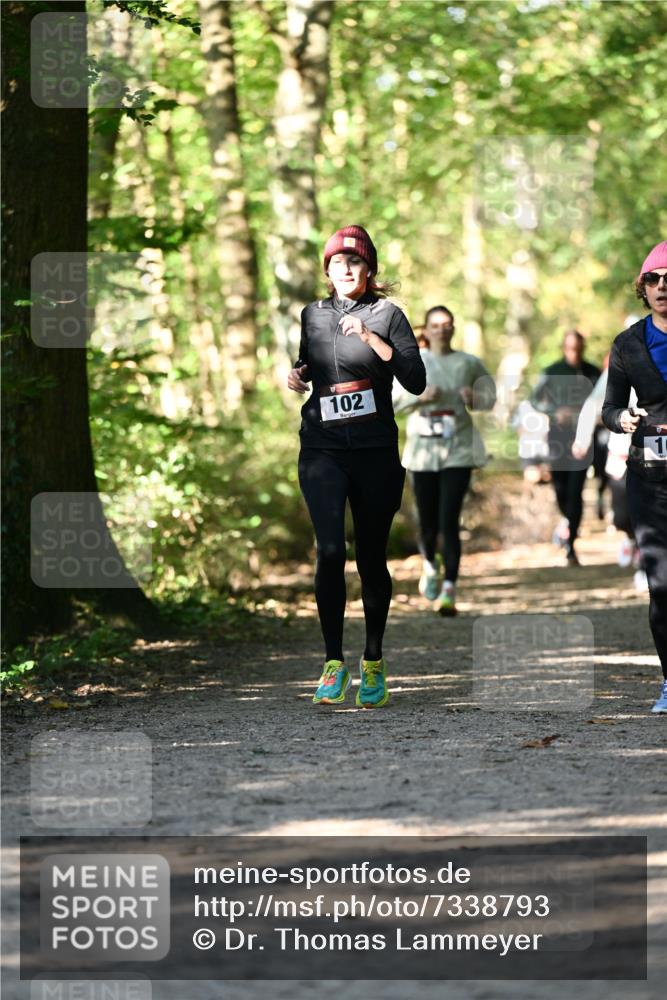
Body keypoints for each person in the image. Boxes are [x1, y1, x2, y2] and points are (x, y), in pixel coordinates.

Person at [287, 225, 426, 708]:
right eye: (337, 263)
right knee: (329, 550)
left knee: (370, 558)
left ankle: (372, 660)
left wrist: (372, 338)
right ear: (327, 271)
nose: (345, 270)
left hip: (374, 452)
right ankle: (332, 663)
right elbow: (311, 364)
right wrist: (297, 374)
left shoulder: (389, 315)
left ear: (370, 270)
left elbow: (415, 380)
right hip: (322, 448)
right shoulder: (313, 314)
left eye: (355, 263)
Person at [392, 306, 496, 615]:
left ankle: (450, 588)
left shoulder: (468, 362)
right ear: (426, 329)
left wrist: (474, 398)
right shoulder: (413, 362)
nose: (442, 329)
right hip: (422, 453)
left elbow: (490, 398)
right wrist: (419, 397)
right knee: (427, 521)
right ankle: (430, 564)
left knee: (449, 520)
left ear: (453, 328)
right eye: (436, 325)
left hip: (458, 450)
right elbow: (392, 404)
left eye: (447, 324)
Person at [602, 240, 667, 714]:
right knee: (662, 583)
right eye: (654, 279)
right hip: (649, 477)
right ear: (642, 288)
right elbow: (608, 407)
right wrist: (620, 419)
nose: (663, 287)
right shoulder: (627, 344)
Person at [531, 331, 601, 565]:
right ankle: (567, 521)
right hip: (557, 438)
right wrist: (554, 412)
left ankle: (570, 546)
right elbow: (534, 400)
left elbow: (605, 400)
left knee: (576, 490)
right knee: (560, 489)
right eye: (570, 348)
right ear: (564, 348)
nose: (574, 353)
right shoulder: (551, 372)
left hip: (583, 439)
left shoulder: (593, 373)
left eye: (578, 349)